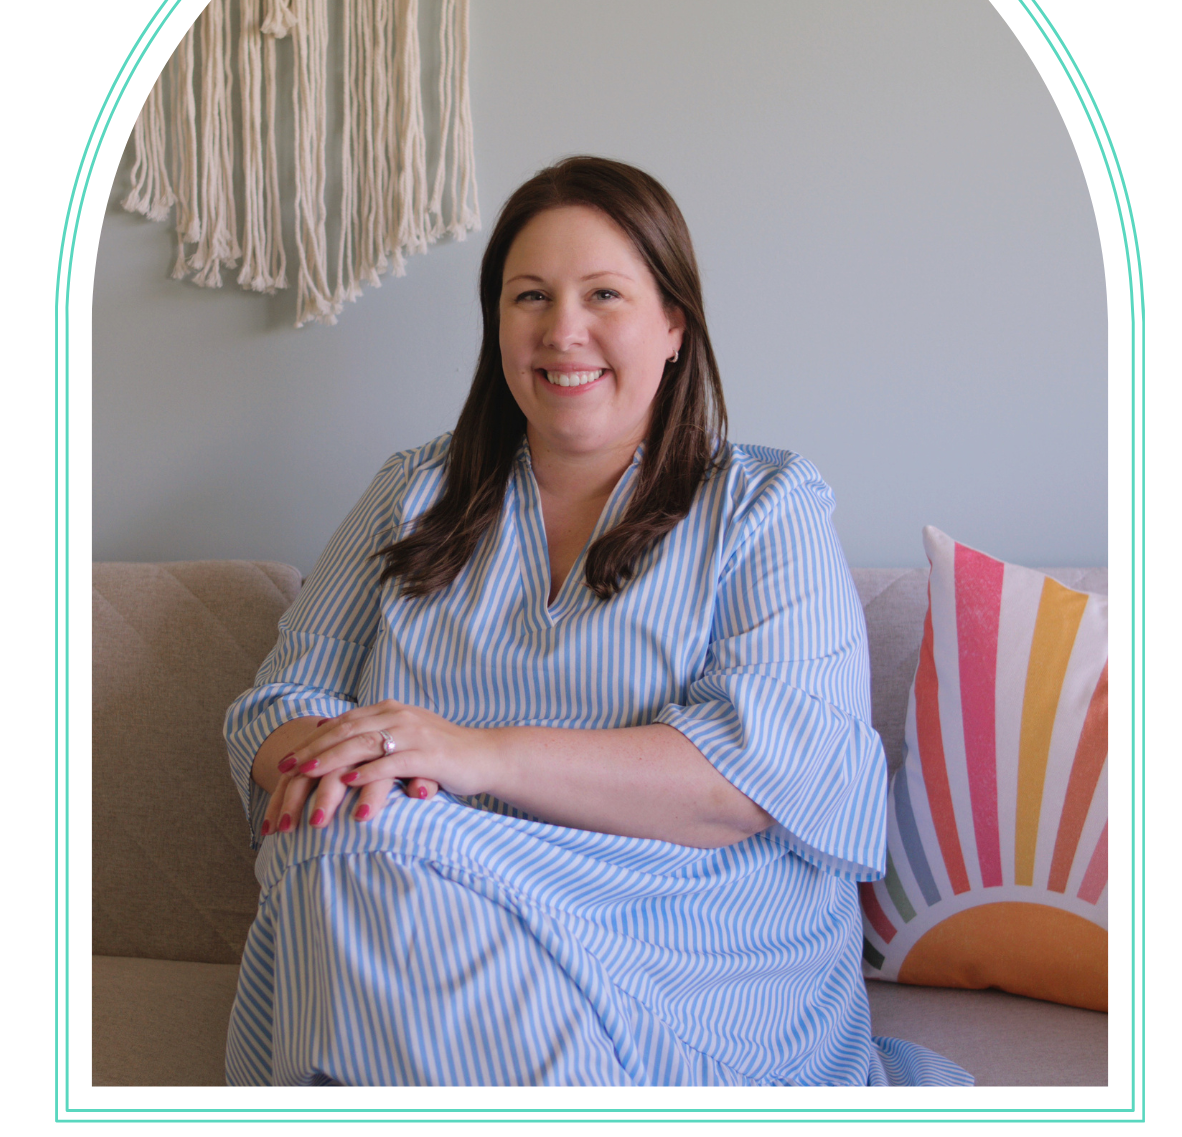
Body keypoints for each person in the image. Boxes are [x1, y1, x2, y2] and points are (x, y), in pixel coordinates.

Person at [223, 155, 971, 1087]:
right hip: (412, 877)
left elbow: (755, 777)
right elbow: (276, 705)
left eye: (604, 294)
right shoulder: (410, 492)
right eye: (529, 296)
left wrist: (474, 755)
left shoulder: (766, 505)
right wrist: (347, 765)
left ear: (673, 324)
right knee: (343, 833)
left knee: (360, 847)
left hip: (689, 931)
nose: (561, 330)